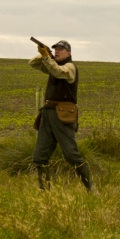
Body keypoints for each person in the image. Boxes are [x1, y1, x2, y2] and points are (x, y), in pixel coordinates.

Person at [29, 39, 94, 191]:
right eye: (55, 49)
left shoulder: (70, 67)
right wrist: (44, 54)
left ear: (69, 53)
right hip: (48, 113)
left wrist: (47, 58)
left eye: (61, 49)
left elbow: (58, 72)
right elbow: (32, 64)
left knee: (71, 155)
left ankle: (91, 189)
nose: (57, 51)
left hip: (63, 114)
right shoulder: (54, 65)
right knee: (40, 156)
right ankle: (45, 194)